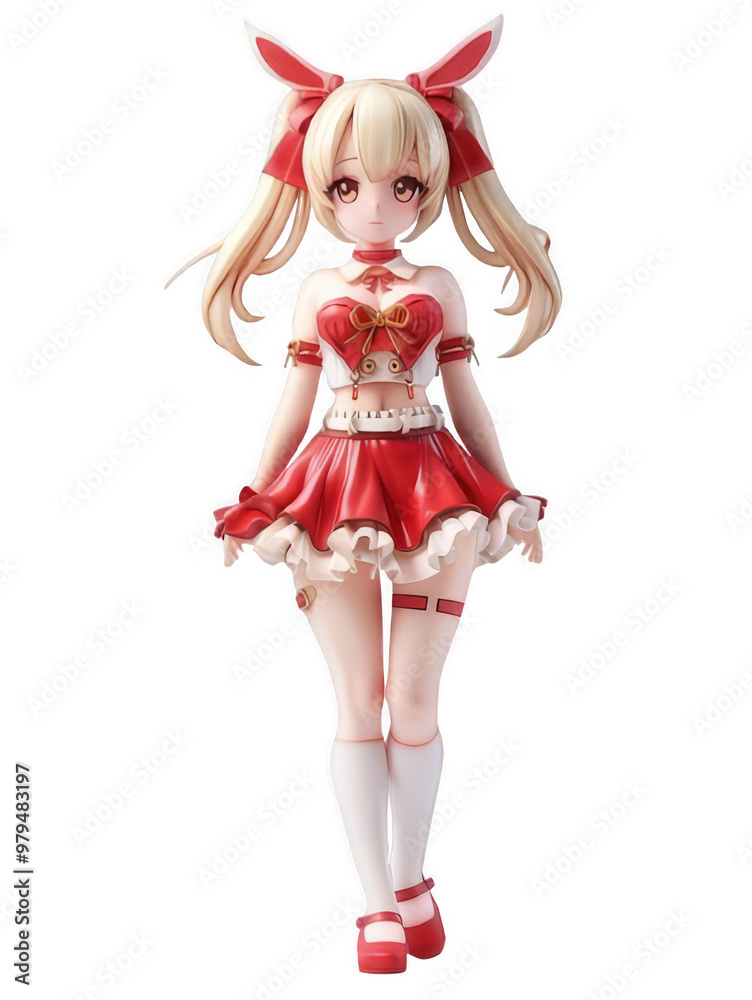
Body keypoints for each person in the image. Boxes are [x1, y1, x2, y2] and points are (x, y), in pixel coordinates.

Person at [169, 14, 561, 974]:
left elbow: (467, 398)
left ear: (430, 186)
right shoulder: (314, 291)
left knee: (412, 699)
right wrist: (256, 496)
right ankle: (377, 903)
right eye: (346, 186)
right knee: (357, 700)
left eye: (401, 185)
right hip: (333, 491)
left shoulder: (442, 285)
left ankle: (413, 876)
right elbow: (293, 402)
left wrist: (508, 492)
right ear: (319, 187)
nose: (374, 205)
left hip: (435, 492)